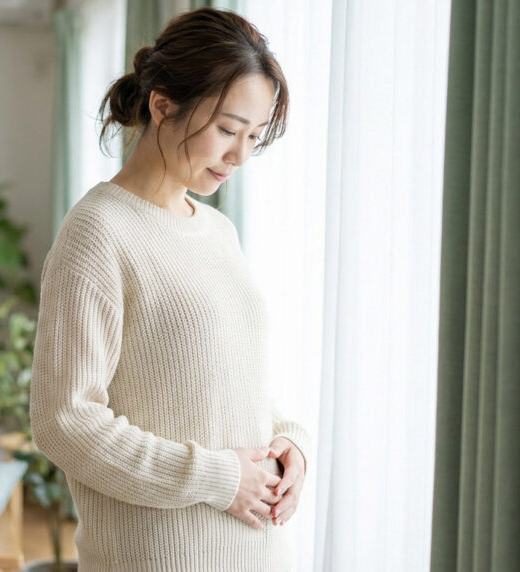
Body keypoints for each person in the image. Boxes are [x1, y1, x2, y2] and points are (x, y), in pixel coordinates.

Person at [30, 7, 313, 571]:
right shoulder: (98, 232)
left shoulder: (216, 230)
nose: (240, 156)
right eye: (228, 130)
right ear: (162, 105)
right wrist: (216, 476)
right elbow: (65, 421)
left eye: (254, 136)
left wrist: (291, 441)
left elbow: (225, 381)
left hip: (258, 555)